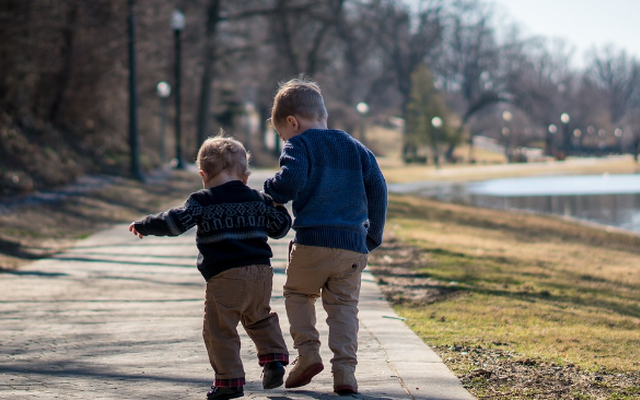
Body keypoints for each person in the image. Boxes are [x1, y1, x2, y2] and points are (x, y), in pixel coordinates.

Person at [129, 135, 291, 400]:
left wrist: (146, 225)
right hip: (262, 273)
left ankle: (229, 382)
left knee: (219, 329)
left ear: (203, 175)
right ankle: (273, 360)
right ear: (245, 176)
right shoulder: (258, 199)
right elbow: (280, 228)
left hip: (225, 276)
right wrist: (279, 205)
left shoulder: (202, 200)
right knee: (260, 317)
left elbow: (174, 223)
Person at [263, 76, 387, 395]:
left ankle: (307, 354)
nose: (284, 139)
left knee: (298, 294)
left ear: (293, 122)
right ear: (323, 115)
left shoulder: (299, 144)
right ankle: (345, 372)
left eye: (282, 134)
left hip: (312, 242)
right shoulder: (355, 147)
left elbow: (289, 184)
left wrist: (270, 189)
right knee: (344, 307)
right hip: (352, 247)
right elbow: (379, 188)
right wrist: (373, 235)